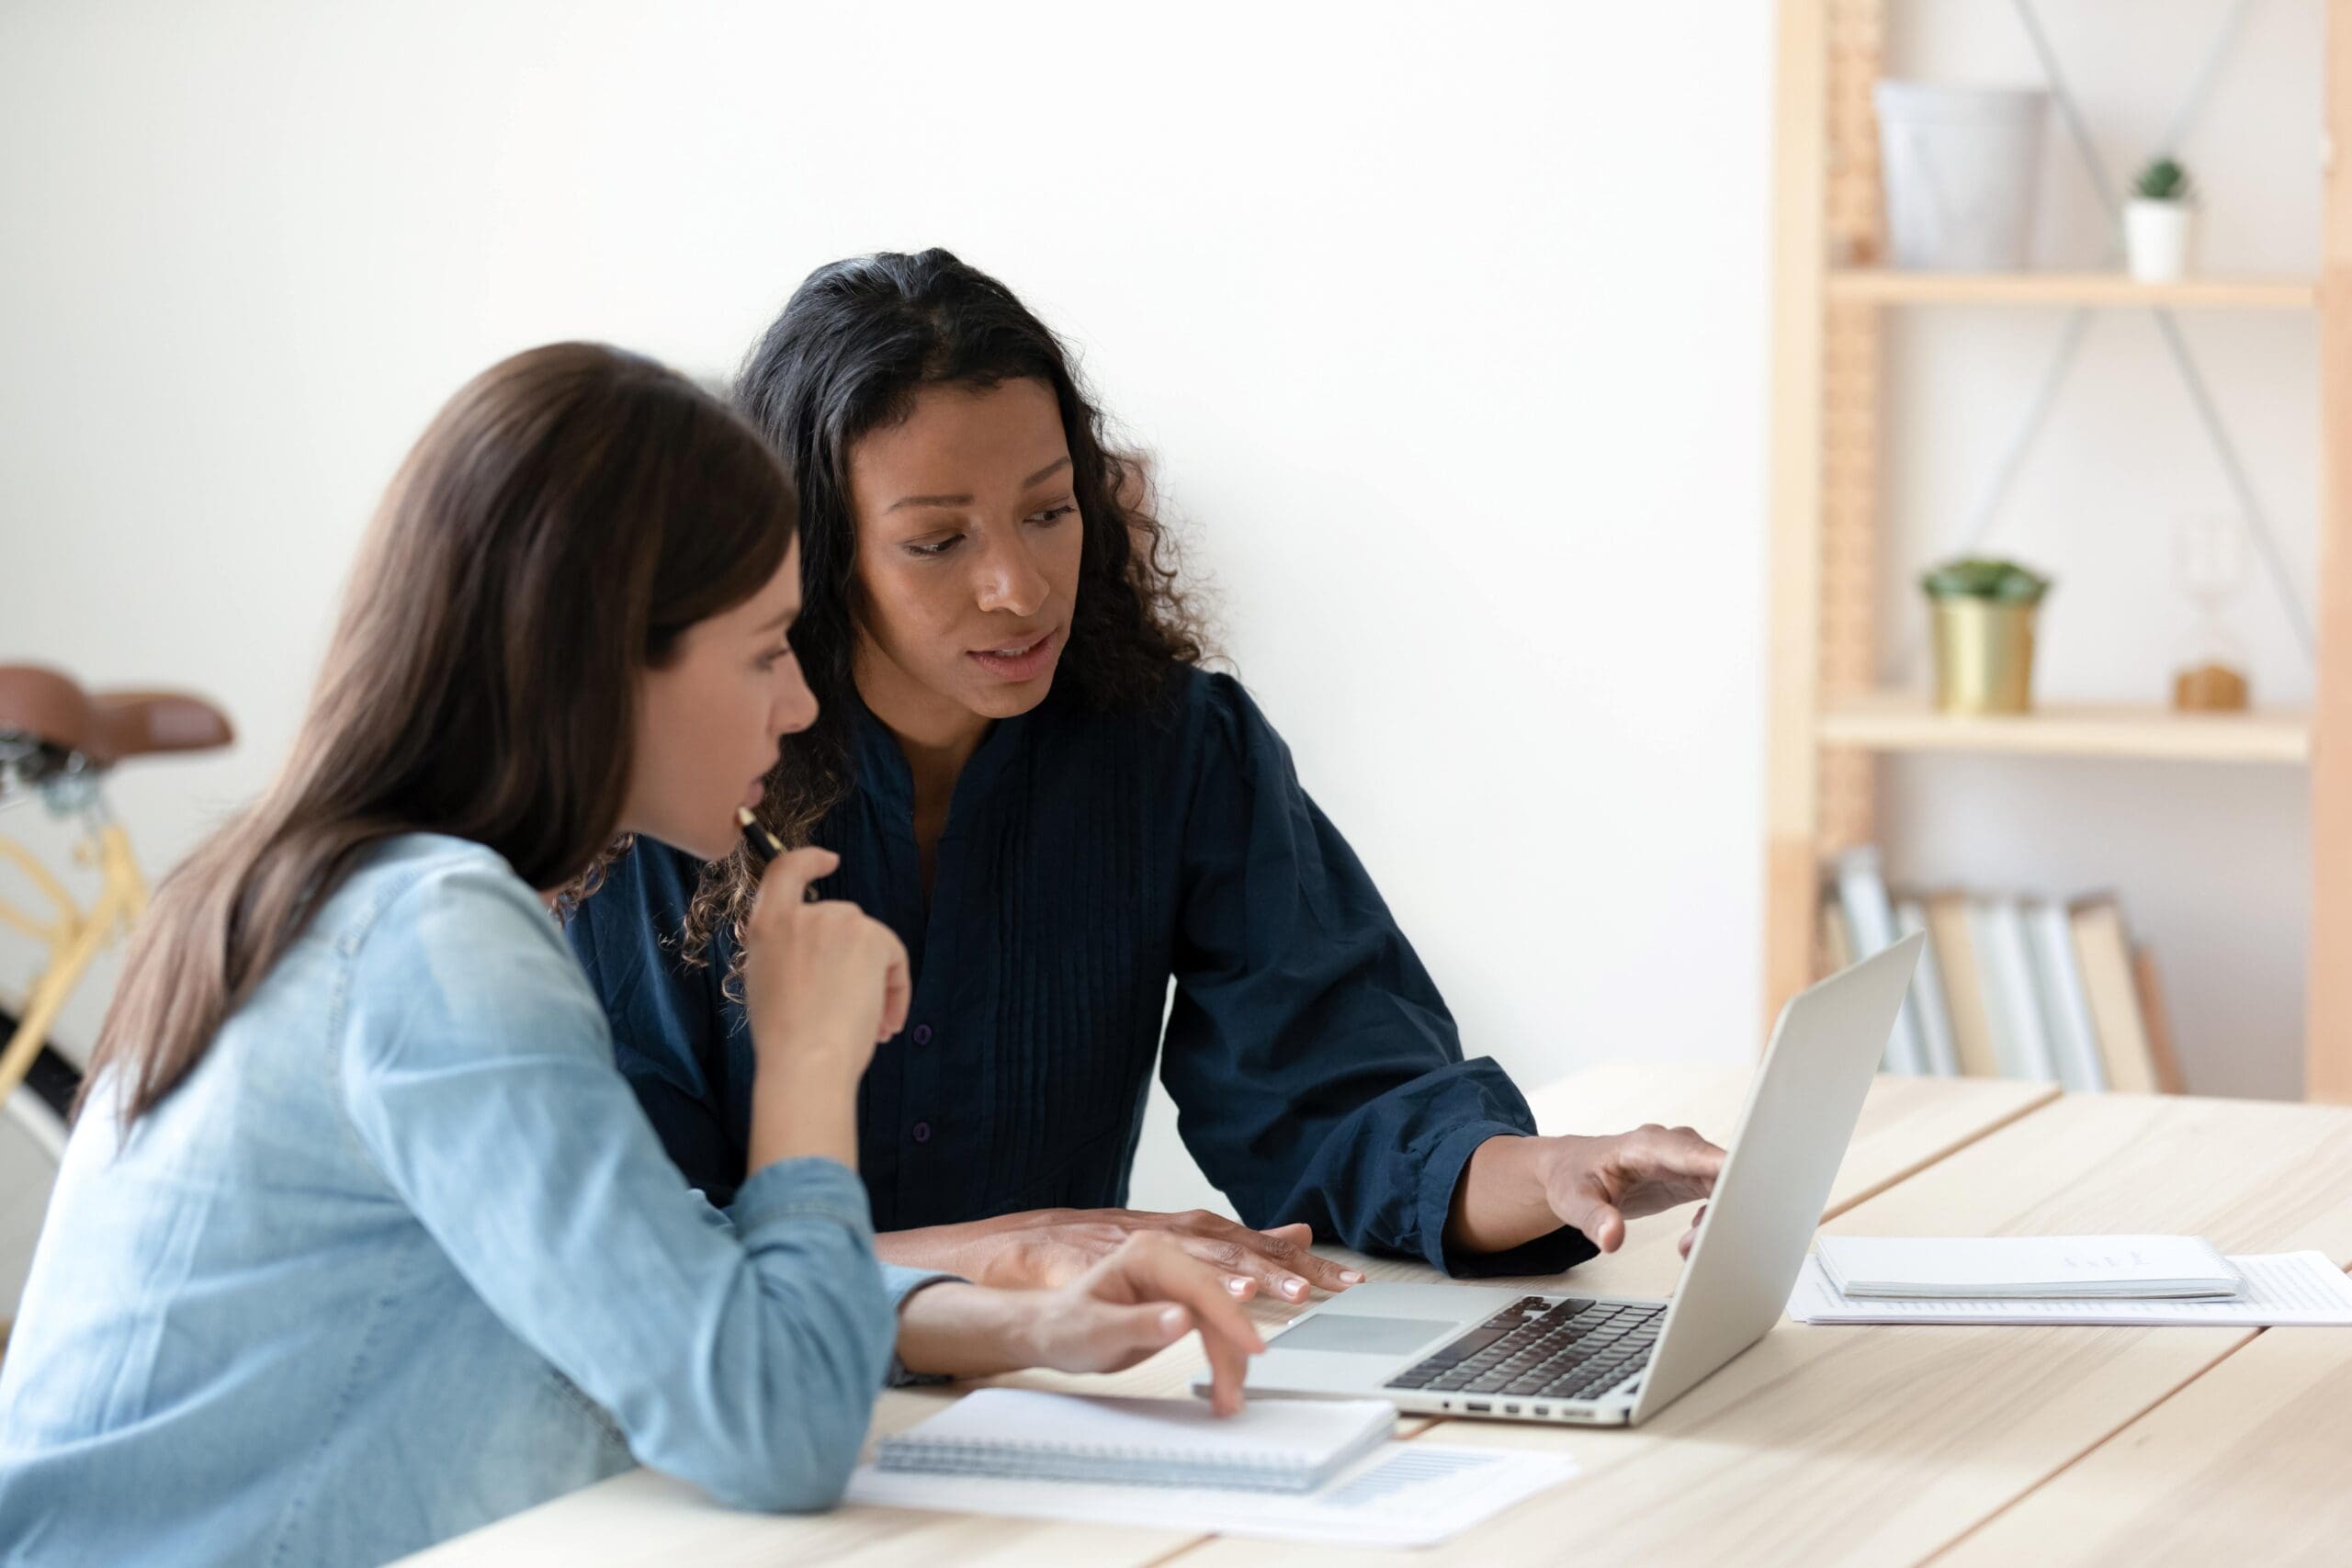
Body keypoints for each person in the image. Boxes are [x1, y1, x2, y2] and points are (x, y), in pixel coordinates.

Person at [0, 343, 1259, 1568]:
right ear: (606, 662)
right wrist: (807, 1070)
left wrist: (1017, 1322)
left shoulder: (343, 893)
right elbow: (776, 1428)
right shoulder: (431, 937)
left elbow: (662, 1295)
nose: (804, 703)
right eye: (766, 650)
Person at [565, 251, 1725, 1307]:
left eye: (1049, 511)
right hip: (736, 1439)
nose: (1019, 586)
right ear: (814, 553)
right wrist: (999, 1249)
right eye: (937, 541)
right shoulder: (677, 796)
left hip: (1059, 1401)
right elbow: (637, 1255)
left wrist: (1549, 1169)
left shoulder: (1175, 749)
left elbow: (1330, 1092)